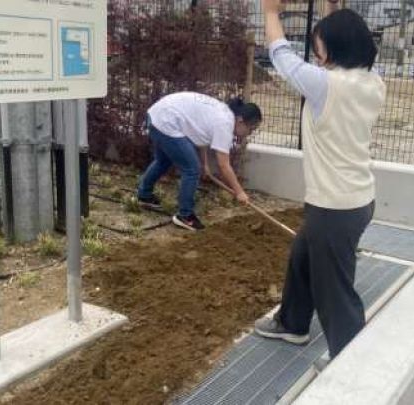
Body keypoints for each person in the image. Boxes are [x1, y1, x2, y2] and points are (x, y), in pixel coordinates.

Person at [254, 0, 386, 358]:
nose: (316, 50)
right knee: (301, 258)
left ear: (332, 47)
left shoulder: (325, 85)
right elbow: (341, 36)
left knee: (334, 291)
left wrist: (269, 13)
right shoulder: (372, 82)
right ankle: (292, 324)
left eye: (319, 43)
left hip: (334, 208)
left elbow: (282, 56)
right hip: (355, 200)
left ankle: (349, 360)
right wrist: (332, 10)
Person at [137, 92, 262, 231]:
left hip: (157, 115)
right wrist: (239, 192)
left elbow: (200, 137)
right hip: (167, 122)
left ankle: (144, 195)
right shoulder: (225, 124)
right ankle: (185, 216)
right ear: (240, 121)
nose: (249, 133)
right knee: (191, 170)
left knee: (163, 160)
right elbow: (224, 165)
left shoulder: (225, 113)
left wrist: (205, 164)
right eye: (250, 129)